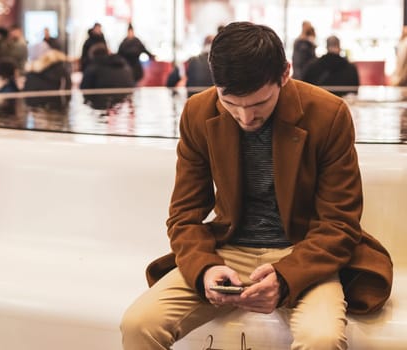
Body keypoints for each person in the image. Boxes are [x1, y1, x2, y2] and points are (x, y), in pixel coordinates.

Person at [120, 22, 393, 350]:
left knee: (322, 338)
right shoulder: (197, 113)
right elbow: (184, 217)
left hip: (304, 251)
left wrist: (285, 277)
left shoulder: (328, 114)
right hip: (228, 250)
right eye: (230, 103)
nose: (245, 117)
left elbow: (339, 224)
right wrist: (205, 269)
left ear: (285, 74)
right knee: (138, 325)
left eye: (258, 104)